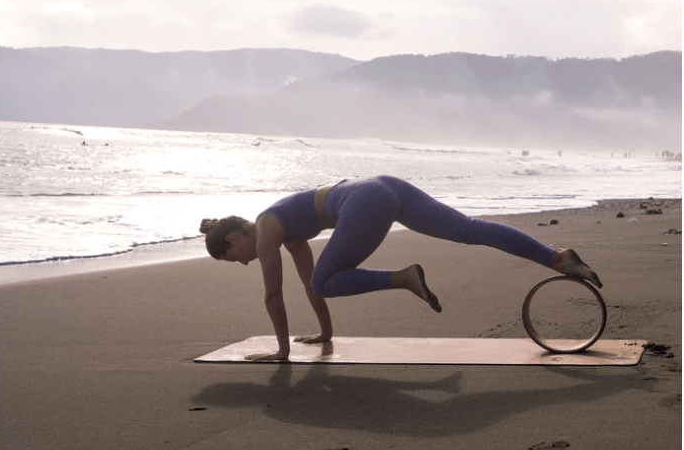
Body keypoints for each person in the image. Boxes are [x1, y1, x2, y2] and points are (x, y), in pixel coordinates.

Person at [199, 175, 603, 361]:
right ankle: (555, 257)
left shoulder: (268, 228)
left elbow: (274, 293)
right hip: (385, 186)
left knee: (326, 280)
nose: (243, 263)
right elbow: (311, 284)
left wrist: (282, 352)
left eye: (234, 258)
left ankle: (405, 278)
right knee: (468, 229)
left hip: (363, 202)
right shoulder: (284, 228)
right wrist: (325, 333)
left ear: (234, 240)